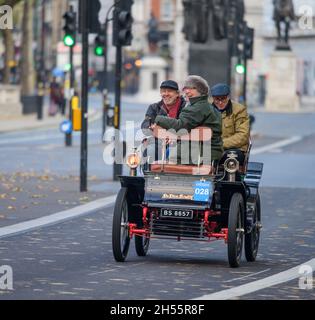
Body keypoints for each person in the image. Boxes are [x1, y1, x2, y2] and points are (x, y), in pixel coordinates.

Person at [153, 75, 223, 165]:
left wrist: (157, 118)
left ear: (197, 90)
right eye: (185, 88)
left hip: (198, 155)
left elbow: (181, 126)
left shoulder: (197, 107)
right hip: (209, 153)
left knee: (155, 164)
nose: (185, 91)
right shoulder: (207, 106)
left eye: (188, 88)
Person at [141, 80, 186, 162]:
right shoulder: (154, 107)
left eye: (169, 91)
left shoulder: (185, 107)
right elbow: (146, 124)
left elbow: (185, 125)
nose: (166, 94)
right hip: (159, 140)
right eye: (163, 91)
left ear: (177, 94)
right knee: (150, 149)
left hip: (180, 141)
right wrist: (151, 127)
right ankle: (149, 173)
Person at [210, 83, 250, 165]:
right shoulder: (207, 110)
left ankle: (232, 178)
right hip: (211, 147)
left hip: (234, 148)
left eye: (223, 99)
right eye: (217, 99)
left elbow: (243, 136)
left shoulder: (239, 110)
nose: (220, 102)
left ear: (228, 97)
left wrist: (220, 144)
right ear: (213, 98)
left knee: (231, 160)